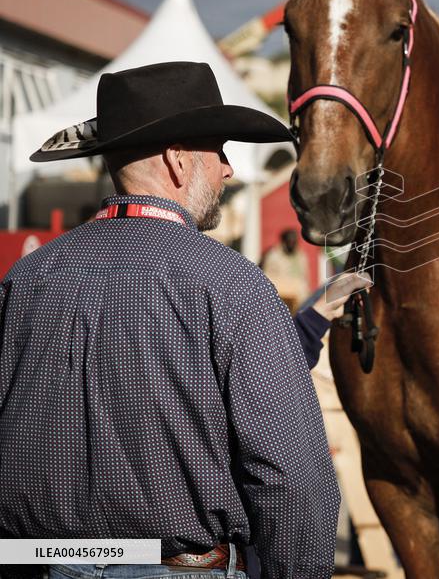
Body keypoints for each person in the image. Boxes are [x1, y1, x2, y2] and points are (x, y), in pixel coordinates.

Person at [0, 62, 340, 579]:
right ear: (178, 162)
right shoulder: (231, 284)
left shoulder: (26, 279)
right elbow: (293, 477)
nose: (227, 169)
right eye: (219, 152)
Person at [261, 228, 312, 312]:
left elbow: (305, 277)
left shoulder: (301, 256)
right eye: (289, 242)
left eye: (294, 242)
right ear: (283, 241)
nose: (292, 244)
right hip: (278, 291)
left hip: (298, 294)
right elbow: (266, 277)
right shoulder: (273, 255)